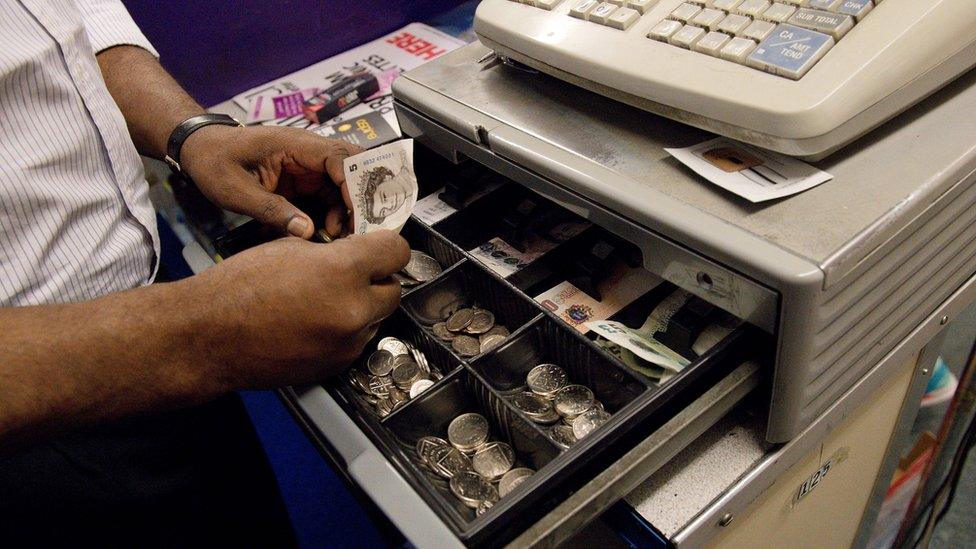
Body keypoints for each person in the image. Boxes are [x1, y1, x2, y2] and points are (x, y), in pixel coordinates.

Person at [0, 0, 409, 545]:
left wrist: (192, 134)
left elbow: (63, 27)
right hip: (31, 438)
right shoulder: (199, 332)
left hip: (161, 313)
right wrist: (197, 332)